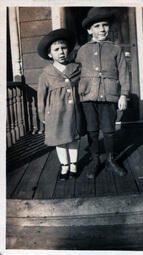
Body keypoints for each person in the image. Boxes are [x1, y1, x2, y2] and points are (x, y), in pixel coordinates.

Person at [76, 7, 130, 179]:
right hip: (88, 95)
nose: (101, 29)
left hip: (109, 94)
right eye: (97, 26)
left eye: (104, 25)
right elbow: (75, 71)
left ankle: (111, 159)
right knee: (92, 130)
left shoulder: (115, 49)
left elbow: (123, 72)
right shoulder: (82, 50)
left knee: (108, 130)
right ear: (89, 29)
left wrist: (124, 94)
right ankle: (95, 160)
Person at [37, 28, 81, 180]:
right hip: (55, 113)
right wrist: (42, 115)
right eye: (56, 49)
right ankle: (64, 165)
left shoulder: (76, 69)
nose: (61, 52)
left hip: (73, 111)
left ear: (68, 50)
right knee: (59, 140)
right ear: (50, 54)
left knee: (73, 138)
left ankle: (74, 164)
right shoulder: (46, 74)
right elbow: (41, 97)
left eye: (63, 48)